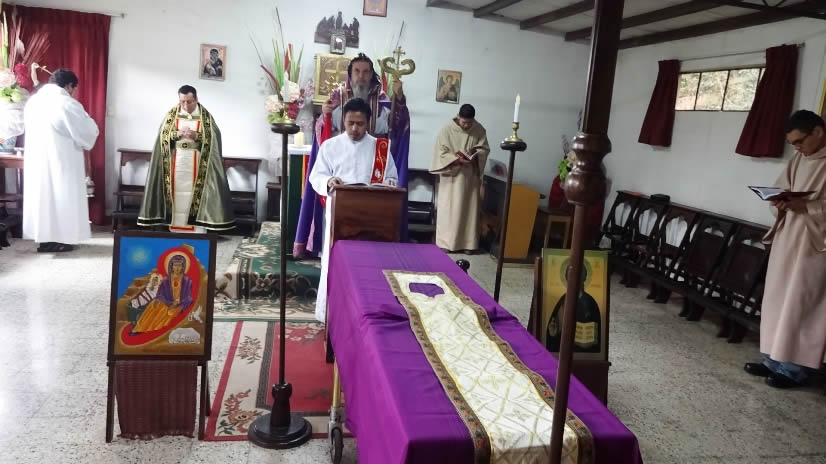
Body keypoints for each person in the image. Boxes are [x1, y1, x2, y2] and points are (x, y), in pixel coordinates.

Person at [294, 52, 410, 258]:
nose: (361, 76)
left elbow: (398, 128)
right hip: (340, 202)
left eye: (366, 72)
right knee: (335, 256)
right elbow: (318, 170)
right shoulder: (336, 106)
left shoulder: (381, 140)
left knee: (368, 256)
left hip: (372, 204)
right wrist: (325, 116)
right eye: (357, 71)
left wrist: (399, 99)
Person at [744, 109, 826, 388]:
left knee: (800, 306)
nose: (797, 148)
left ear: (818, 132)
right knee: (778, 300)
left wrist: (808, 207)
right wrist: (779, 202)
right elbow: (780, 188)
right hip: (788, 237)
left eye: (800, 141)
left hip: (815, 246)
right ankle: (772, 360)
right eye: (792, 144)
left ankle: (793, 370)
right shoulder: (799, 159)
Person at [308, 98, 398, 322]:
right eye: (350, 123)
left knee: (368, 265)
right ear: (343, 121)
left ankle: (366, 314)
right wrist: (329, 181)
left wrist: (389, 183)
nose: (355, 128)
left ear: (368, 123)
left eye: (360, 123)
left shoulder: (380, 148)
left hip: (371, 217)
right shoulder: (331, 146)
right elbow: (316, 176)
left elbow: (392, 178)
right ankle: (330, 314)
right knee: (336, 262)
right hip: (340, 213)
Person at [138, 85, 235, 232]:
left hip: (198, 164)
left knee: (193, 197)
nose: (185, 105)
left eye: (189, 101)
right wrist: (177, 134)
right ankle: (175, 231)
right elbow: (162, 137)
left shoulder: (205, 117)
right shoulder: (172, 115)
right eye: (182, 101)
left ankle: (197, 231)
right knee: (176, 196)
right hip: (176, 163)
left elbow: (214, 140)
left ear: (196, 99)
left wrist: (197, 136)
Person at [22, 69, 99, 253]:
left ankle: (44, 239)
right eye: (73, 88)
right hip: (61, 159)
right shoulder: (66, 103)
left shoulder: (33, 102)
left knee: (43, 198)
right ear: (69, 85)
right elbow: (88, 130)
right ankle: (62, 239)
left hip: (37, 159)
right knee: (62, 196)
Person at [429, 104, 490, 252]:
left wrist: (475, 154)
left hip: (470, 177)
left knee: (469, 212)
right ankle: (446, 243)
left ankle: (468, 245)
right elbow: (441, 153)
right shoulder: (446, 130)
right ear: (458, 117)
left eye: (470, 122)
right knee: (449, 211)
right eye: (464, 122)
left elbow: (484, 149)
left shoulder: (479, 130)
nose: (467, 125)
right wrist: (456, 159)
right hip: (452, 178)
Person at [133, 255, 194, 333]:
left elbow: (188, 297)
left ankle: (154, 329)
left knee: (165, 311)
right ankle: (140, 327)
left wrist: (178, 303)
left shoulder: (187, 281)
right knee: (154, 304)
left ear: (183, 267)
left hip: (179, 305)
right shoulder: (166, 280)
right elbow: (161, 295)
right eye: (175, 265)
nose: (177, 268)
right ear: (172, 266)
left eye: (179, 265)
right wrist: (168, 302)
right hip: (167, 303)